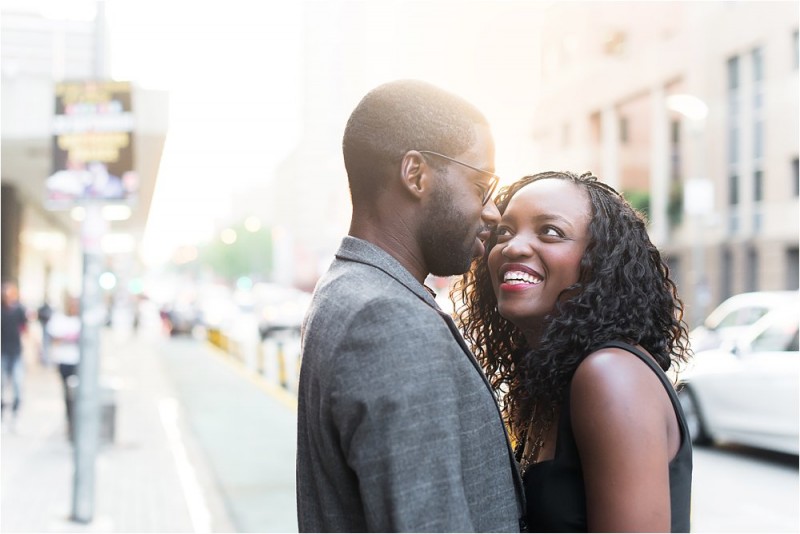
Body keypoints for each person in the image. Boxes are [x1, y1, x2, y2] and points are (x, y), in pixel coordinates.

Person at [296, 79, 525, 532]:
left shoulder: (348, 289)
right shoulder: (387, 319)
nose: (493, 212)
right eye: (481, 185)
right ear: (416, 174)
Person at [454, 171, 693, 532]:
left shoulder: (610, 374)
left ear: (598, 263)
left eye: (550, 231)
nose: (513, 247)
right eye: (504, 232)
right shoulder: (546, 379)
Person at [47, 296, 81, 439]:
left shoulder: (82, 319)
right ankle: (69, 421)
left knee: (79, 393)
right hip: (64, 361)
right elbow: (53, 339)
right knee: (67, 393)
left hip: (78, 362)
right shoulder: (59, 319)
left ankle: (77, 420)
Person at [1, 281, 28, 427]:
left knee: (18, 384)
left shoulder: (19, 310)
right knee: (2, 385)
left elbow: (24, 329)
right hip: (2, 352)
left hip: (16, 352)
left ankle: (15, 414)